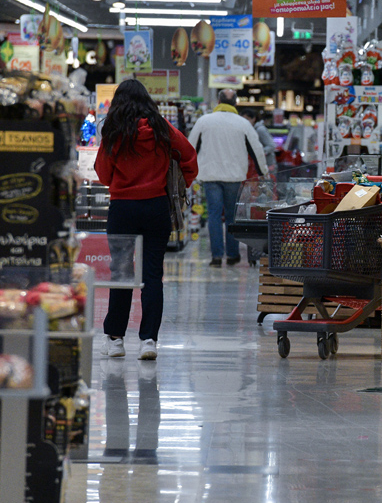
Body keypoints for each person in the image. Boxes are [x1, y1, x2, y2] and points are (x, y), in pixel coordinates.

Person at [95, 78, 198, 360]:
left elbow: (103, 175)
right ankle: (148, 341)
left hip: (122, 209)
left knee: (121, 273)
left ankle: (115, 340)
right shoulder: (162, 129)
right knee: (153, 275)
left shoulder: (114, 131)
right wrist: (178, 185)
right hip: (156, 207)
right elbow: (189, 157)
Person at [187, 89, 268, 267]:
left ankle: (216, 257)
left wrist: (187, 173)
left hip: (210, 176)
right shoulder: (243, 124)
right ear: (236, 103)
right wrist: (263, 173)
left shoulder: (204, 121)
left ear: (218, 101)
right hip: (234, 176)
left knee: (214, 216)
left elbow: (190, 147)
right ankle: (232, 255)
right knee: (232, 216)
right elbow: (257, 149)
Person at [241, 109, 277, 174]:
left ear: (254, 119)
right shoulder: (249, 130)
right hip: (259, 166)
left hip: (267, 165)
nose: (245, 121)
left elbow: (271, 145)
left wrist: (258, 152)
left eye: (247, 119)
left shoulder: (260, 130)